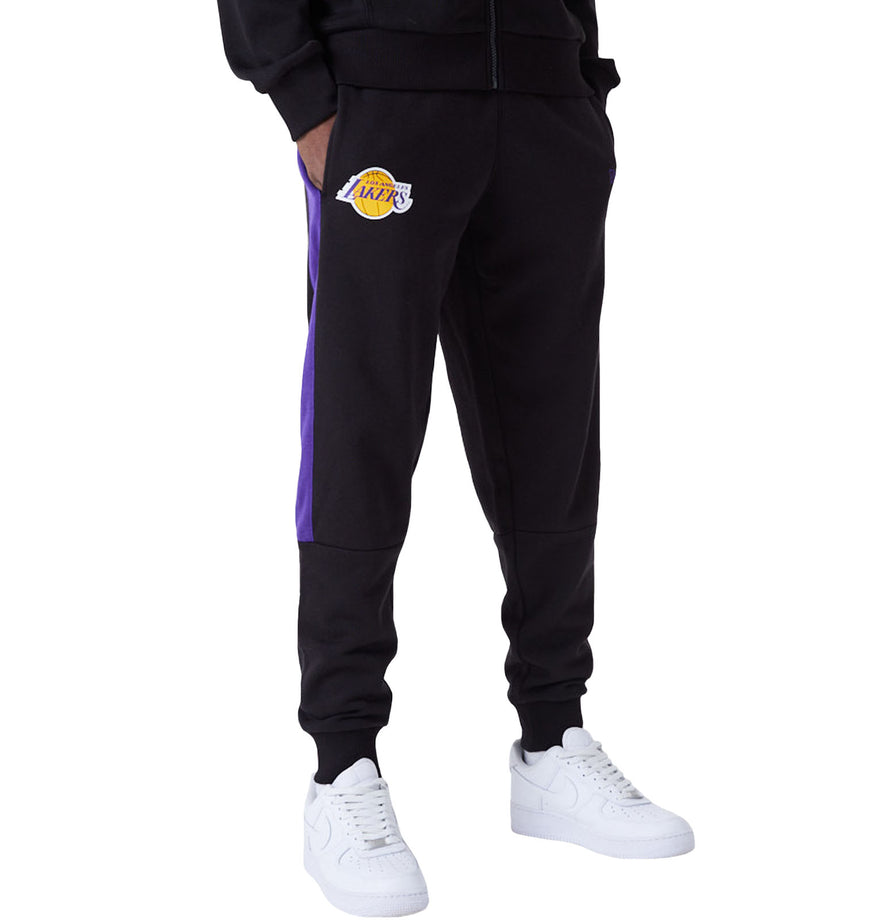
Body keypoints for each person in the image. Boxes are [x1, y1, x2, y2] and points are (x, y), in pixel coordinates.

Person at [217, 1, 693, 914]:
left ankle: (552, 739)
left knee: (554, 428)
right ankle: (342, 766)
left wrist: (578, 80)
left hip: (544, 101)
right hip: (382, 100)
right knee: (362, 427)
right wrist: (304, 96)